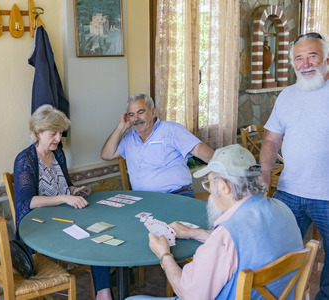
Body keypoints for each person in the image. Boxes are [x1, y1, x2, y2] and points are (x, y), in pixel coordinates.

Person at [127, 144, 303, 300]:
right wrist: (192, 232)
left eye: (209, 183)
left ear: (224, 186)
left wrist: (164, 254)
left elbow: (188, 293)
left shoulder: (225, 236)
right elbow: (245, 244)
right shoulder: (282, 208)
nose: (209, 190)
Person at [13, 104, 111, 300]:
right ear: (38, 133)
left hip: (64, 217)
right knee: (91, 236)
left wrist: (75, 190)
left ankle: (103, 292)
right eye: (53, 134)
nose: (58, 138)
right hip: (39, 227)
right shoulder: (25, 160)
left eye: (60, 133)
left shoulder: (57, 153)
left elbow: (65, 184)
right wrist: (66, 198)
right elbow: (27, 202)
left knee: (99, 232)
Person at [260, 32, 329, 300]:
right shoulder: (286, 96)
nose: (305, 63)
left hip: (327, 195)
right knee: (278, 252)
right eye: (298, 58)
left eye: (312, 55)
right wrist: (264, 173)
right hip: (290, 191)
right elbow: (271, 139)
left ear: (326, 60)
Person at [101, 94, 214, 197]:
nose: (136, 119)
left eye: (141, 112)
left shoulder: (172, 130)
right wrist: (122, 127)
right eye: (131, 115)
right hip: (143, 199)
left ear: (153, 111)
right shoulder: (129, 138)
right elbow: (107, 155)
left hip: (175, 196)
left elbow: (200, 150)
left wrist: (223, 171)